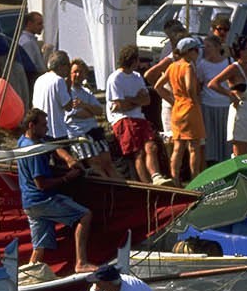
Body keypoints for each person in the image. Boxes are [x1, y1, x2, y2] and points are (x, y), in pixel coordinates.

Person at [17, 108, 94, 271]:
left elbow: (52, 144)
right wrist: (68, 178)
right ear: (32, 125)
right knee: (85, 215)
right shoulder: (34, 151)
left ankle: (28, 276)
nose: (47, 128)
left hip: (29, 204)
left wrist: (68, 158)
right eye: (44, 125)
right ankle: (81, 262)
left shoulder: (23, 141)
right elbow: (41, 184)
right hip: (42, 199)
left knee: (39, 247)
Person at [105, 45, 168, 183]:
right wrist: (136, 100)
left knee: (151, 147)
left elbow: (147, 100)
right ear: (132, 60)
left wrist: (129, 100)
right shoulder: (115, 78)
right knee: (138, 152)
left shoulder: (137, 76)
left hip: (139, 118)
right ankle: (147, 185)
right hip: (123, 120)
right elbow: (120, 106)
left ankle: (156, 177)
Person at [155, 36, 206, 182]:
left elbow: (158, 86)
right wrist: (195, 101)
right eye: (196, 50)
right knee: (194, 147)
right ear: (189, 52)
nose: (197, 53)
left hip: (177, 109)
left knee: (178, 147)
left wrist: (173, 100)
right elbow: (190, 88)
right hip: (190, 108)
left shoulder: (172, 66)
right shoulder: (188, 66)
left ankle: (175, 179)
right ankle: (195, 178)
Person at [209, 35, 247, 156]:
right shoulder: (234, 68)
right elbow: (213, 83)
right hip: (242, 110)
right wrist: (230, 95)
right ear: (241, 51)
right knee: (241, 152)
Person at [65, 58, 120, 178]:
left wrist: (84, 106)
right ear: (70, 73)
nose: (78, 75)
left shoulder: (86, 92)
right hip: (79, 133)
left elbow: (99, 110)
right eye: (75, 72)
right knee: (96, 163)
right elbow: (77, 114)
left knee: (108, 162)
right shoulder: (67, 92)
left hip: (94, 131)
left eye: (81, 72)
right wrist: (90, 111)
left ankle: (119, 187)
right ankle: (106, 188)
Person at [195, 35, 233, 165]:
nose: (206, 49)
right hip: (208, 105)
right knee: (211, 141)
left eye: (209, 46)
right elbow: (199, 85)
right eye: (204, 47)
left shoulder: (229, 62)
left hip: (226, 105)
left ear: (217, 47)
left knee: (226, 140)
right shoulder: (202, 65)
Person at [16, 12, 46, 78]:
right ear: (29, 24)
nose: (42, 27)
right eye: (39, 24)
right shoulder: (27, 42)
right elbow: (30, 68)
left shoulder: (30, 40)